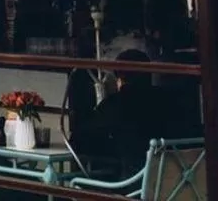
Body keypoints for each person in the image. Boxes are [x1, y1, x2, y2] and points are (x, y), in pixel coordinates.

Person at [72, 49, 170, 181]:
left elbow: (78, 141)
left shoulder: (117, 103)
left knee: (77, 182)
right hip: (176, 187)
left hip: (134, 186)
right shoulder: (167, 100)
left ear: (119, 78)